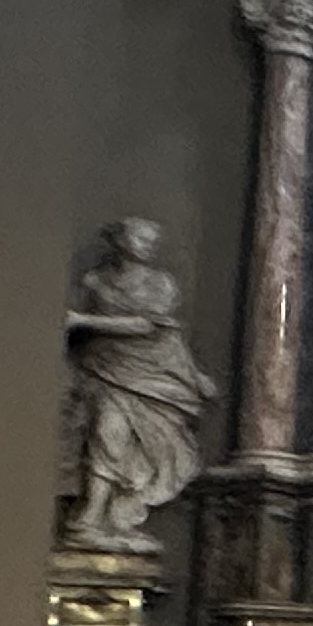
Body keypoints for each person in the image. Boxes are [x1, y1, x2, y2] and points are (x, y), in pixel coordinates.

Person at [60, 218, 216, 553]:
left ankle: (112, 516)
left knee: (137, 443)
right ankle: (89, 519)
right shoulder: (94, 281)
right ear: (120, 240)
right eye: (140, 238)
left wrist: (83, 320)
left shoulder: (161, 284)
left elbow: (148, 326)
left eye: (151, 241)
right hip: (105, 368)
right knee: (107, 432)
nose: (147, 246)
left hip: (152, 373)